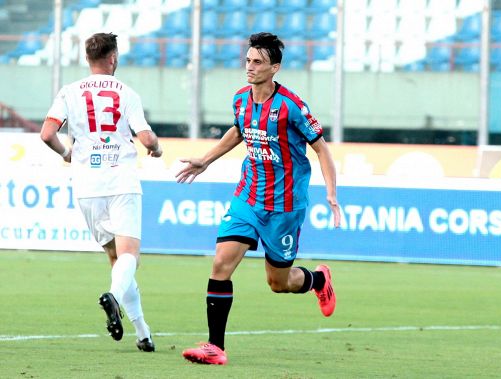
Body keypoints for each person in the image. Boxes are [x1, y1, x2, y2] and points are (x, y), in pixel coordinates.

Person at [176, 32, 340, 365]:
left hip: (284, 206)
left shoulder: (292, 107)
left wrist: (331, 193)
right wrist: (204, 161)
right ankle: (215, 347)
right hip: (248, 196)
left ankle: (318, 280)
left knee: (278, 283)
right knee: (221, 263)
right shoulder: (240, 99)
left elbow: (321, 148)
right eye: (248, 60)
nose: (249, 67)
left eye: (258, 62)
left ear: (274, 68)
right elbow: (239, 130)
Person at [40, 32, 162, 352]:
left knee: (116, 259)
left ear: (88, 58)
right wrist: (157, 149)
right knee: (129, 256)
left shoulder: (69, 91)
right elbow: (147, 139)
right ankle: (114, 297)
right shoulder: (126, 92)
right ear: (112, 58)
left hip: (86, 185)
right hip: (120, 180)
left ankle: (143, 332)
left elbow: (47, 133)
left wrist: (67, 154)